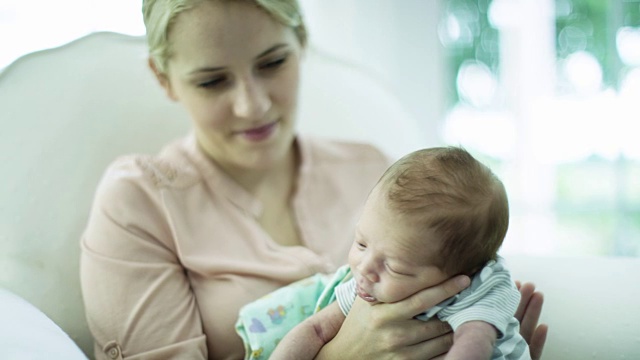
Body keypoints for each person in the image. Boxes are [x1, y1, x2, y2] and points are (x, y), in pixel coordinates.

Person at [79, 0, 548, 359]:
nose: (253, 105)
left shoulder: (376, 173)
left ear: (301, 41)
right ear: (164, 78)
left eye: (272, 63)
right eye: (213, 81)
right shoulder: (139, 201)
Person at [237, 147, 529, 360]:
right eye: (361, 243)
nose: (364, 268)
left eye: (397, 268)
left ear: (461, 274)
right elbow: (315, 330)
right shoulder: (366, 286)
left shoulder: (482, 287)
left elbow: (474, 342)